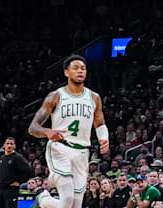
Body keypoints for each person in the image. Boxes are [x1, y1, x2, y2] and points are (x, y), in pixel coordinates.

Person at [28, 55, 110, 208]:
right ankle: (43, 199)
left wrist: (103, 138)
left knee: (76, 205)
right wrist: (47, 132)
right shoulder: (56, 96)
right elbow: (33, 128)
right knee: (67, 200)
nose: (80, 71)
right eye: (76, 68)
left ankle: (44, 200)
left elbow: (99, 123)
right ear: (66, 72)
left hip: (82, 152)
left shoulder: (94, 97)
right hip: (61, 148)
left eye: (83, 68)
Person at [0, 138, 31, 208]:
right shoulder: (2, 158)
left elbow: (28, 171)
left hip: (11, 189)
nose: (9, 146)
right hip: (0, 189)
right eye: (7, 143)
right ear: (4, 145)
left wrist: (19, 181)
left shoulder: (18, 157)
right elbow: (0, 172)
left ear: (14, 146)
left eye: (11, 144)